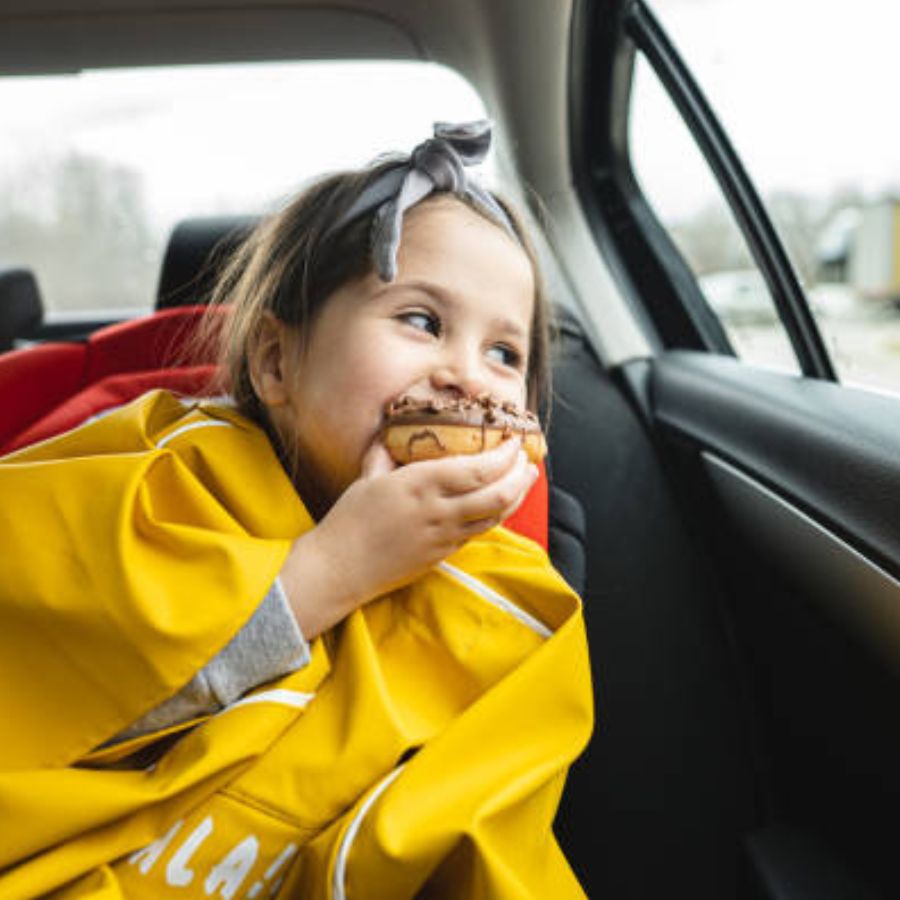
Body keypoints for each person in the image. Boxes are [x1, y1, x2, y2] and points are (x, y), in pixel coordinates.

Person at [0, 121, 593, 898]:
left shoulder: (514, 599)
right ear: (278, 362)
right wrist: (335, 567)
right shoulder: (164, 477)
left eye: (505, 354)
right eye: (422, 321)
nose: (469, 379)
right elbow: (59, 693)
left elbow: (482, 846)